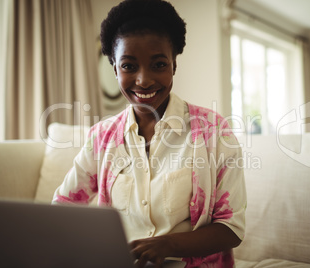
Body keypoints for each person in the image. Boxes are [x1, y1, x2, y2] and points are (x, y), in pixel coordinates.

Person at [52, 0, 247, 267]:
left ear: (174, 66)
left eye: (158, 65)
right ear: (115, 70)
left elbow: (231, 228)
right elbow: (63, 207)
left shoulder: (213, 132)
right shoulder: (102, 137)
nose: (143, 80)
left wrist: (168, 244)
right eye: (129, 66)